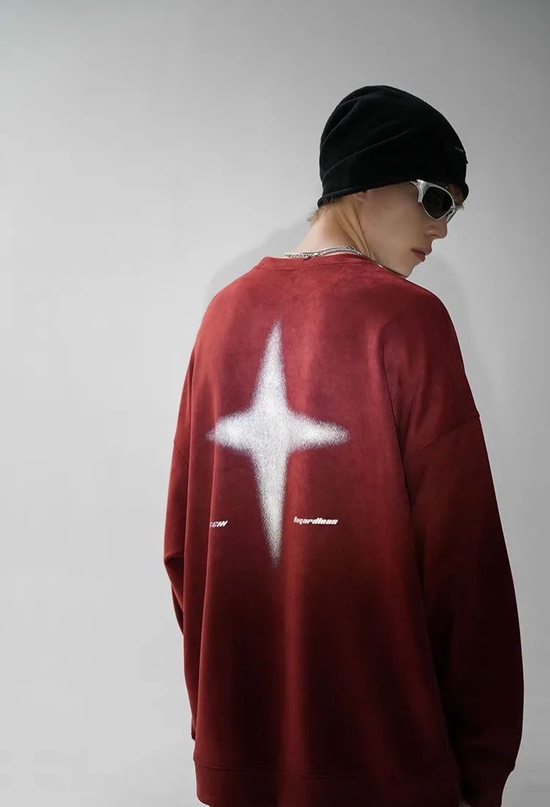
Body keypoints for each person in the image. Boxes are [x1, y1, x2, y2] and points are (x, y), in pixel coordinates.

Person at [163, 85, 523, 807]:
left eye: (454, 209)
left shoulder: (221, 316)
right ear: (369, 179)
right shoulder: (408, 320)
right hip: (386, 762)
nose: (443, 228)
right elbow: (464, 564)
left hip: (243, 758)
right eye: (435, 199)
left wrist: (225, 728)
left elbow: (183, 550)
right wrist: (480, 763)